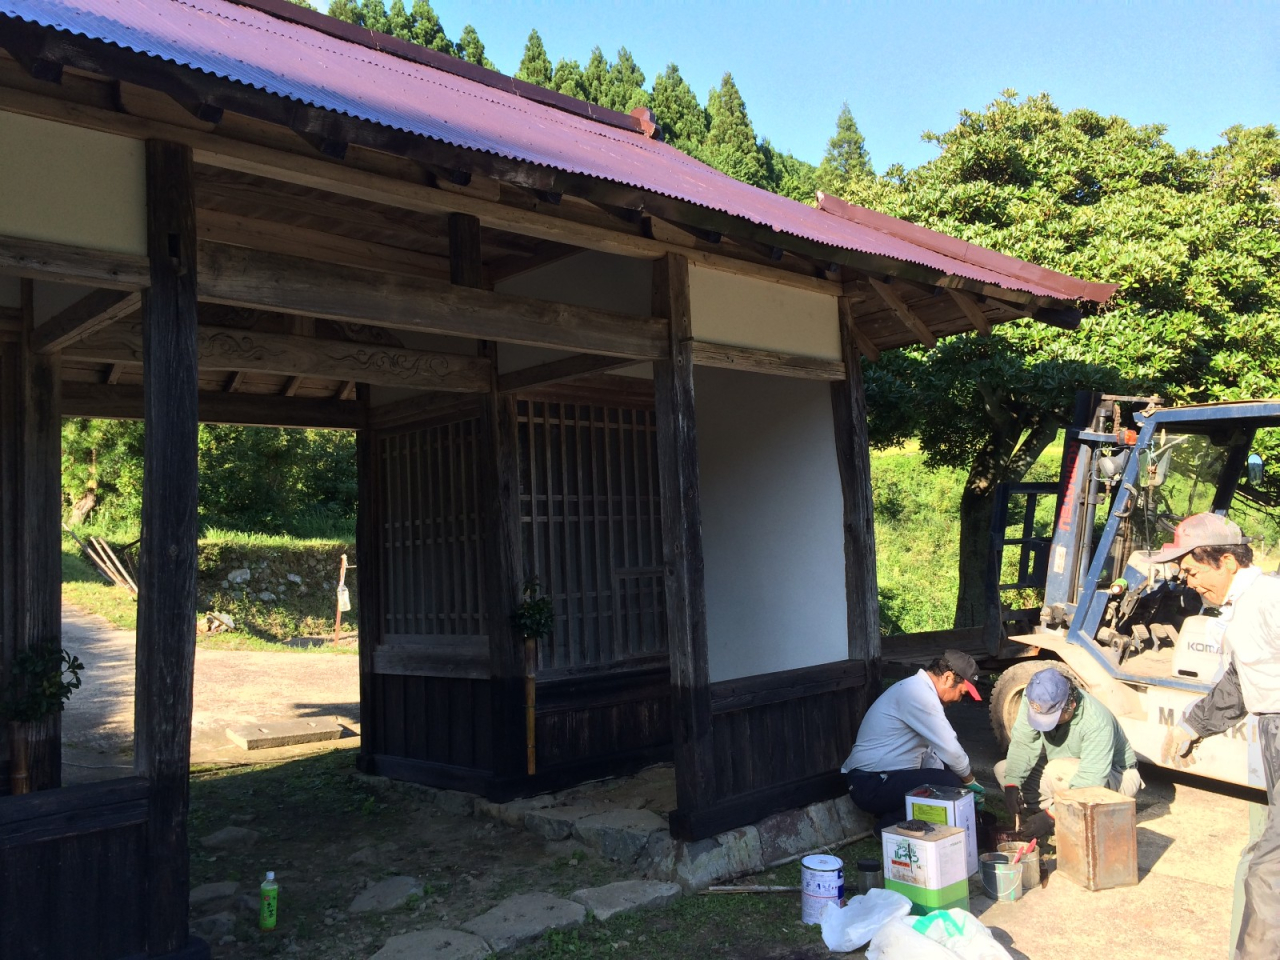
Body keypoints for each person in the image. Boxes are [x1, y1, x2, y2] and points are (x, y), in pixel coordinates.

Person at [1153, 513, 1280, 960]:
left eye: (1192, 570)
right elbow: (1241, 681)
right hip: (1272, 729)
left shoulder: (1270, 598)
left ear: (1226, 560)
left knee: (1268, 869)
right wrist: (1194, 725)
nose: (1189, 583)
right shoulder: (1244, 607)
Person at [841, 649, 986, 830]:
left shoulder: (917, 689)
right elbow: (950, 748)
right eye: (962, 693)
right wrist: (968, 782)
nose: (959, 700)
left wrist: (958, 793)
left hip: (881, 779)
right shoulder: (918, 694)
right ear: (948, 678)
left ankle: (899, 815)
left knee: (949, 780)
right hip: (870, 783)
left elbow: (931, 754)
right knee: (950, 783)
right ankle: (889, 826)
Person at [995, 667, 1142, 840]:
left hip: (1116, 777)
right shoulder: (1036, 699)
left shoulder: (1097, 722)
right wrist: (1012, 784)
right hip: (1067, 773)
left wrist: (1051, 817)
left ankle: (1072, 825)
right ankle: (1043, 821)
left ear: (1071, 705)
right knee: (1004, 770)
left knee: (1057, 770)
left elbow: (1090, 782)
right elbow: (1023, 743)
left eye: (1052, 717)